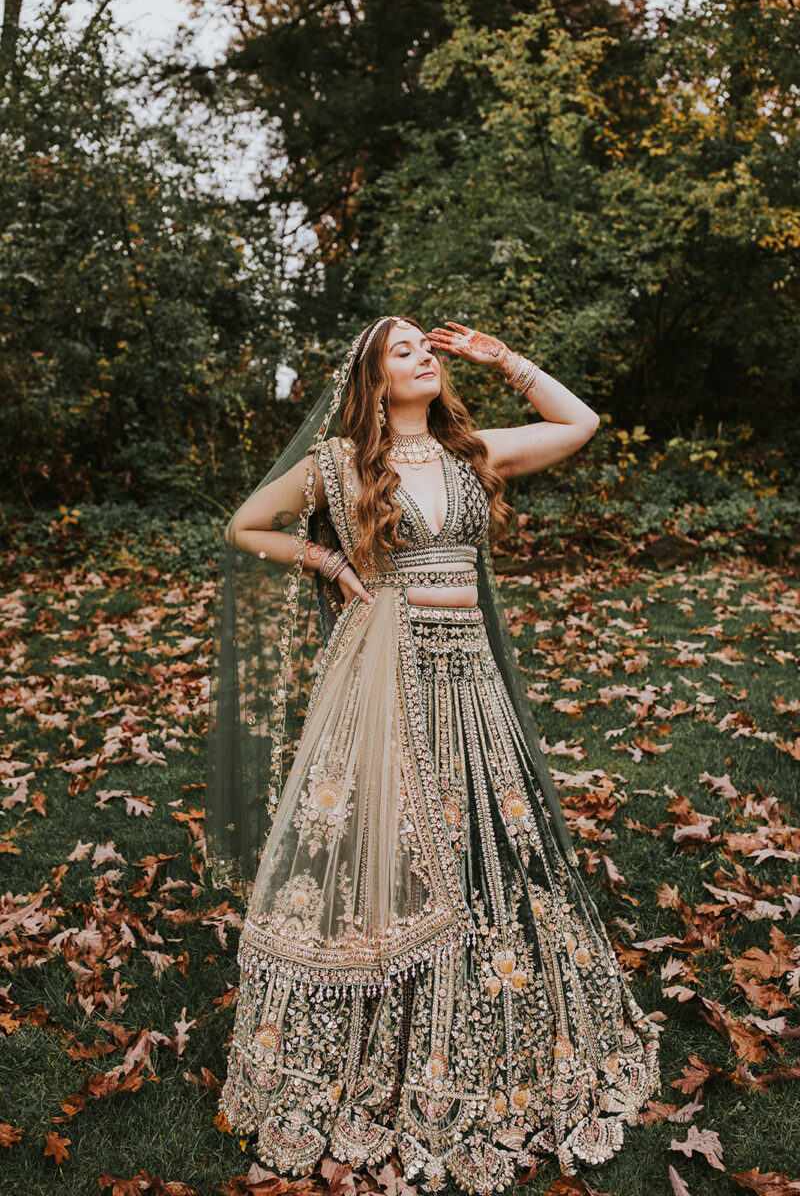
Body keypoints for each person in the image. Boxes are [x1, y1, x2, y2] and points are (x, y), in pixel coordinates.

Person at [204, 316, 661, 1194]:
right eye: (403, 348)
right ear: (373, 379)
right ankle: (375, 1033)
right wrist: (327, 563)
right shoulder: (338, 464)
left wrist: (505, 358)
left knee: (487, 838)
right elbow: (244, 525)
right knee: (388, 839)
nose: (425, 354)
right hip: (386, 664)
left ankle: (478, 1002)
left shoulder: (469, 451)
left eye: (429, 346)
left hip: (470, 671)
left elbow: (579, 425)